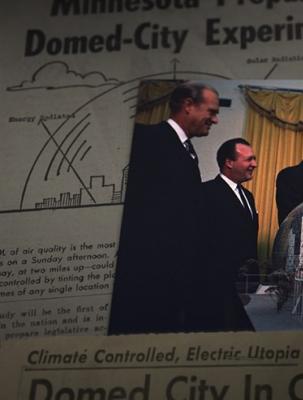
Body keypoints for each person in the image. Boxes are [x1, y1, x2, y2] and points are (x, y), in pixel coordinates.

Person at [109, 82, 220, 334]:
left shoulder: (188, 151)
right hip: (147, 276)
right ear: (188, 106)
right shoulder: (146, 139)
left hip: (173, 276)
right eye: (211, 112)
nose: (215, 120)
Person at [190, 138, 258, 332]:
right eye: (249, 159)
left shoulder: (249, 197)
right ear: (229, 162)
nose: (254, 164)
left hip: (245, 287)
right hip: (214, 288)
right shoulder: (206, 192)